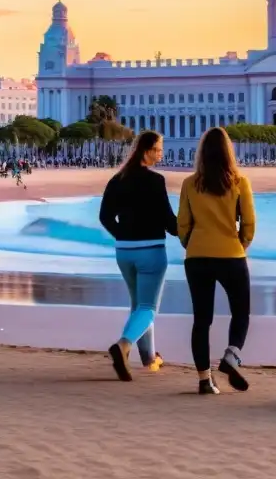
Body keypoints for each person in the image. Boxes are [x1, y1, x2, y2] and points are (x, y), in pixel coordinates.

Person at [177, 126, 256, 395]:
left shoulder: (189, 183)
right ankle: (231, 356)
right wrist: (241, 243)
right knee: (241, 312)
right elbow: (249, 223)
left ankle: (204, 380)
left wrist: (192, 243)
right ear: (228, 152)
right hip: (231, 255)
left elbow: (183, 224)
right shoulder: (239, 182)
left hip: (197, 257)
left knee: (202, 320)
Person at [98, 130, 178, 382]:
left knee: (138, 306)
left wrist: (123, 234)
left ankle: (149, 358)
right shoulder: (156, 181)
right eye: (158, 149)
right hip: (151, 251)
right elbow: (169, 222)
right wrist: (189, 228)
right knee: (148, 307)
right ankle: (123, 345)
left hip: (124, 252)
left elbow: (104, 217)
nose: (161, 154)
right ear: (146, 151)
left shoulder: (117, 179)